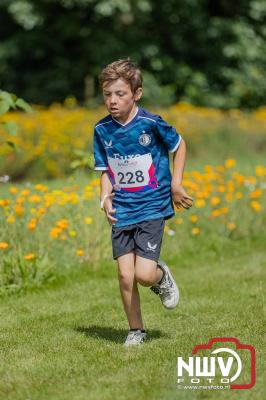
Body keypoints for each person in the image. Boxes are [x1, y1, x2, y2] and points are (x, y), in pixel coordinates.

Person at [93, 58, 193, 347]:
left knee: (143, 275)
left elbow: (180, 145)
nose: (112, 101)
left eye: (120, 94)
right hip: (122, 209)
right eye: (107, 94)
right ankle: (136, 330)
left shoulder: (151, 123)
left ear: (136, 93)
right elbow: (105, 171)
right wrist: (105, 197)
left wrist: (176, 184)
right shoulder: (101, 130)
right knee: (125, 276)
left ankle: (160, 276)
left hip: (152, 206)